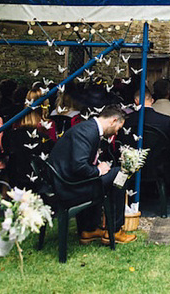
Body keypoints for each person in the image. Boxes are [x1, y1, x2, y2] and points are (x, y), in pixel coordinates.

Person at [48, 105, 136, 245]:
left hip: (67, 181)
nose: (116, 133)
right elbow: (79, 166)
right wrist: (99, 170)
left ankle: (90, 229)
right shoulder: (87, 132)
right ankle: (114, 230)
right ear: (113, 121)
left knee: (113, 178)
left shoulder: (88, 128)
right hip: (69, 188)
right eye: (118, 129)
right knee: (121, 174)